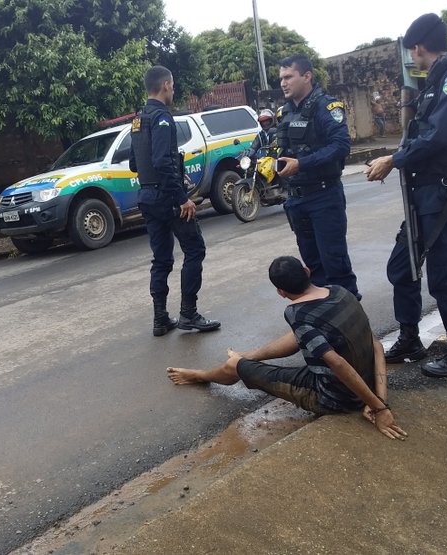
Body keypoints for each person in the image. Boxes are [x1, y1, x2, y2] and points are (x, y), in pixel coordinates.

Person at [167, 256, 406, 440]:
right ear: (307, 272)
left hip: (333, 397)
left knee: (234, 366)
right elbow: (375, 345)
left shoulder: (297, 313)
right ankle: (247, 357)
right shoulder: (340, 292)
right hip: (366, 385)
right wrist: (378, 397)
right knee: (300, 337)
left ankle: (200, 375)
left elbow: (337, 362)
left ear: (281, 292)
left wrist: (380, 408)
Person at [366, 13, 447, 377]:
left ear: (417, 48)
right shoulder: (432, 82)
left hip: (439, 193)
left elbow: (441, 135)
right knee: (402, 267)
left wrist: (394, 160)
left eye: (410, 51)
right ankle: (410, 339)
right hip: (420, 194)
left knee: (446, 274)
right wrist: (399, 155)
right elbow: (418, 134)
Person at [129, 65, 221, 336]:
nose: (173, 89)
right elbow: (161, 161)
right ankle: (188, 314)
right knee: (195, 250)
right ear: (166, 85)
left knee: (161, 259)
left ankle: (160, 319)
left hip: (147, 196)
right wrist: (182, 199)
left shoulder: (138, 120)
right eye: (173, 85)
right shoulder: (163, 117)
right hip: (168, 197)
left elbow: (135, 164)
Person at [275, 54, 360, 300]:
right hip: (296, 199)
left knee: (336, 265)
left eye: (288, 77)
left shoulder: (326, 107)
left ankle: (352, 317)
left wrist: (301, 164)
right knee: (313, 270)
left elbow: (341, 145)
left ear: (307, 76)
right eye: (281, 78)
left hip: (323, 196)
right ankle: (325, 317)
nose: (283, 83)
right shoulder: (286, 112)